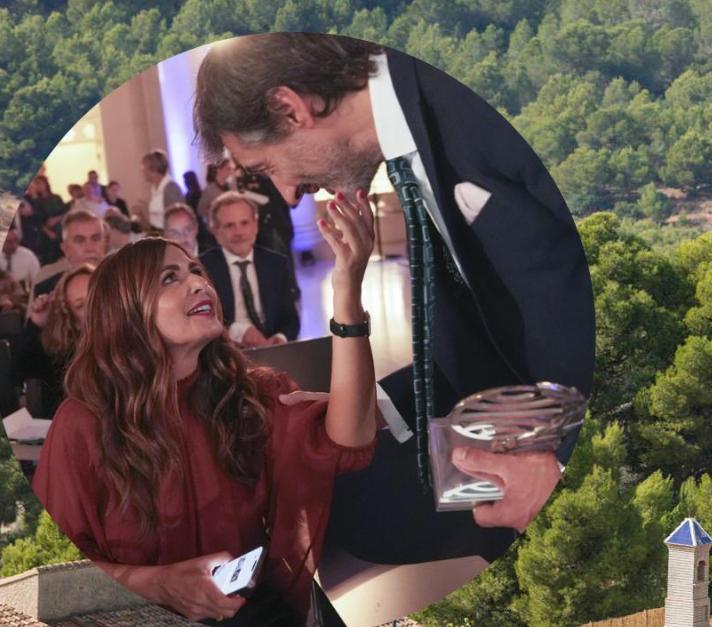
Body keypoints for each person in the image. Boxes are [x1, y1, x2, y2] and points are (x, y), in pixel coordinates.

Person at [194, 34, 594, 568]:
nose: (287, 194)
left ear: (288, 108)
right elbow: (482, 327)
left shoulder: (477, 104)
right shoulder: (414, 145)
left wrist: (561, 475)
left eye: (267, 168)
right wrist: (363, 404)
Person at [33, 190, 380, 627]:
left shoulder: (249, 393)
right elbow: (53, 570)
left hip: (248, 620)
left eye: (195, 270)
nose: (199, 283)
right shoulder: (83, 423)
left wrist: (347, 292)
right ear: (126, 313)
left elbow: (349, 442)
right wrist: (159, 584)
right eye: (169, 278)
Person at [201, 191, 300, 345]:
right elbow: (203, 321)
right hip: (226, 349)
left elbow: (291, 319)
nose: (239, 232)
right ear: (216, 232)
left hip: (271, 348)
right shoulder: (203, 268)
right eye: (230, 225)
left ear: (256, 225)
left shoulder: (276, 263)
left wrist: (280, 338)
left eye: (245, 223)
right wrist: (239, 332)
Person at [14, 263, 92, 419]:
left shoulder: (135, 343)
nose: (93, 307)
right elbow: (18, 373)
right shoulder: (65, 357)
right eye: (81, 305)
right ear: (75, 322)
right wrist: (37, 325)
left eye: (96, 295)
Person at [33, 210, 105, 296]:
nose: (90, 248)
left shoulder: (119, 276)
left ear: (105, 243)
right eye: (80, 240)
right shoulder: (45, 283)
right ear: (65, 248)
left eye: (96, 239)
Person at [21, 175, 66, 263]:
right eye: (35, 184)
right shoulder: (33, 199)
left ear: (46, 184)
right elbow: (36, 218)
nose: (37, 186)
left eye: (39, 183)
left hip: (60, 230)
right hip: (44, 234)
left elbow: (65, 212)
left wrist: (56, 219)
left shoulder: (56, 197)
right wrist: (47, 231)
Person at [140, 150, 183, 230]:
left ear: (153, 170)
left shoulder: (170, 188)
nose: (142, 171)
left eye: (144, 168)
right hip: (157, 232)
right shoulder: (154, 188)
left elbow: (175, 219)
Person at [0, 225, 41, 293]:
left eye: (16, 240)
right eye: (9, 242)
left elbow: (38, 281)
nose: (14, 245)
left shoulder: (28, 256)